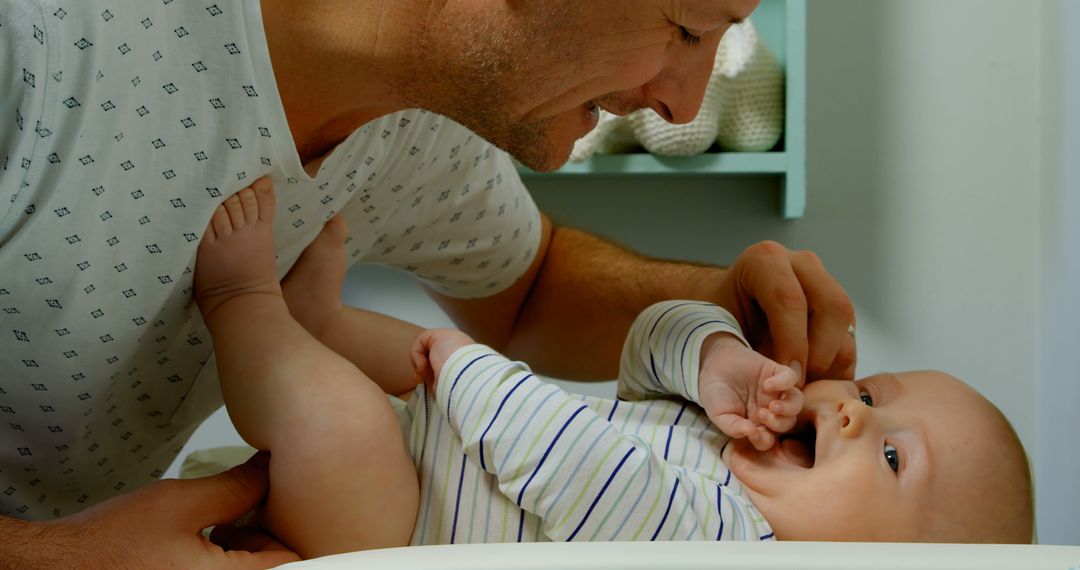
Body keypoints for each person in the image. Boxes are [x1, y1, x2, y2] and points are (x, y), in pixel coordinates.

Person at [0, 0, 856, 565]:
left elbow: (530, 290)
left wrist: (716, 312)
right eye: (688, 27)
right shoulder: (41, 41)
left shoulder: (415, 126)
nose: (684, 103)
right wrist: (46, 557)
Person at [192, 184, 1031, 558]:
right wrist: (715, 361)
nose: (852, 411)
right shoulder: (731, 434)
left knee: (348, 421)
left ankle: (240, 304)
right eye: (873, 393)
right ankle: (320, 325)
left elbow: (584, 470)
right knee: (403, 363)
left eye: (892, 456)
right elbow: (643, 346)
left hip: (386, 525)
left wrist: (473, 371)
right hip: (440, 447)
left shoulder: (739, 546)